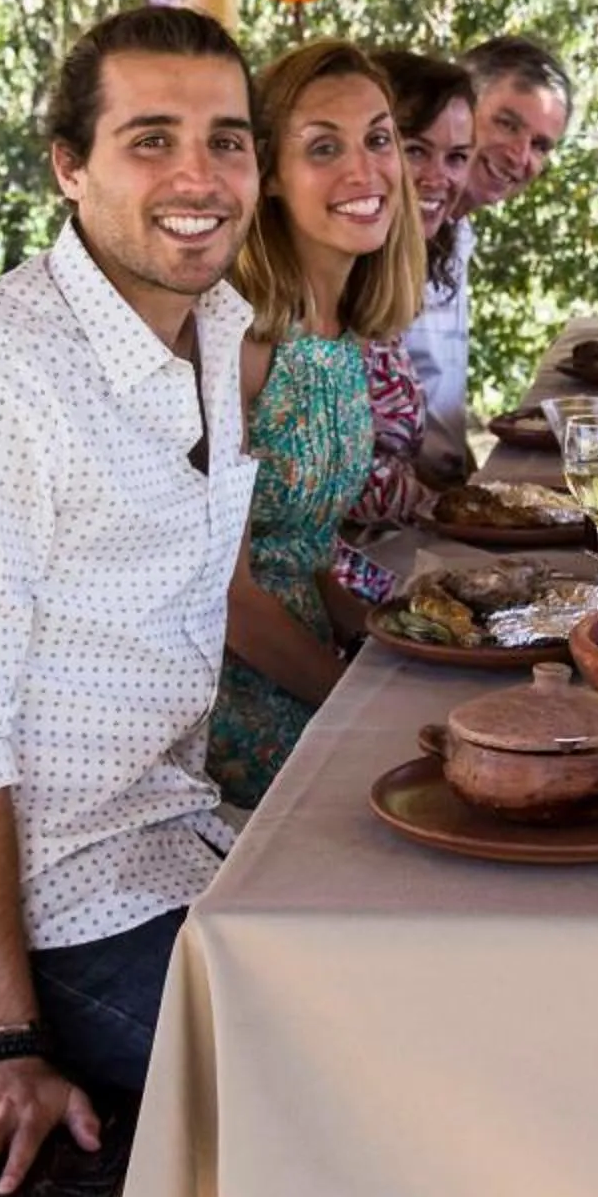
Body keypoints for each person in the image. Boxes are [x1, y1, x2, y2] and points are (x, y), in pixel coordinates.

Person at [0, 3, 258, 1197]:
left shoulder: (215, 330)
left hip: (174, 844)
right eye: (151, 139)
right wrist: (3, 1038)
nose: (200, 175)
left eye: (227, 140)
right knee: (322, 1081)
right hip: (44, 924)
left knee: (433, 978)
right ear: (70, 166)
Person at [212, 42, 427, 808]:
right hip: (234, 697)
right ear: (269, 176)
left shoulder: (335, 327)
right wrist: (349, 706)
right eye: (323, 148)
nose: (364, 172)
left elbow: (299, 550)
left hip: (308, 649)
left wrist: (406, 643)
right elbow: (227, 595)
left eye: (377, 139)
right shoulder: (241, 335)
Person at [399, 35, 574, 475]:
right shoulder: (381, 236)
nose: (520, 156)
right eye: (508, 124)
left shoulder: (458, 234)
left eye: (541, 145)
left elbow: (437, 410)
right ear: (459, 111)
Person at [349, 48, 476, 519]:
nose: (438, 177)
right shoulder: (330, 278)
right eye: (416, 150)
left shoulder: (414, 262)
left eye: (457, 157)